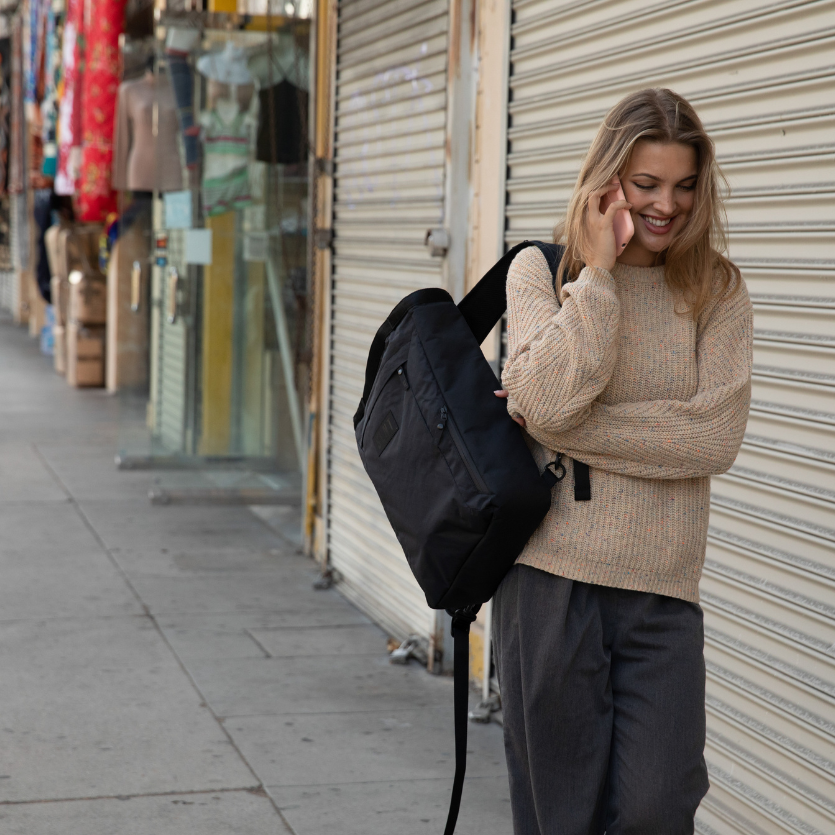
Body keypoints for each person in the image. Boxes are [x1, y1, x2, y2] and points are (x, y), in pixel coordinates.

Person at [492, 88, 753, 834]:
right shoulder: (539, 274)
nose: (666, 204)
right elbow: (543, 397)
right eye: (645, 184)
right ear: (607, 179)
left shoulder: (716, 291)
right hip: (549, 587)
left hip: (663, 594)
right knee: (559, 817)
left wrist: (567, 428)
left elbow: (711, 439)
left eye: (683, 185)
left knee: (657, 806)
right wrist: (598, 279)